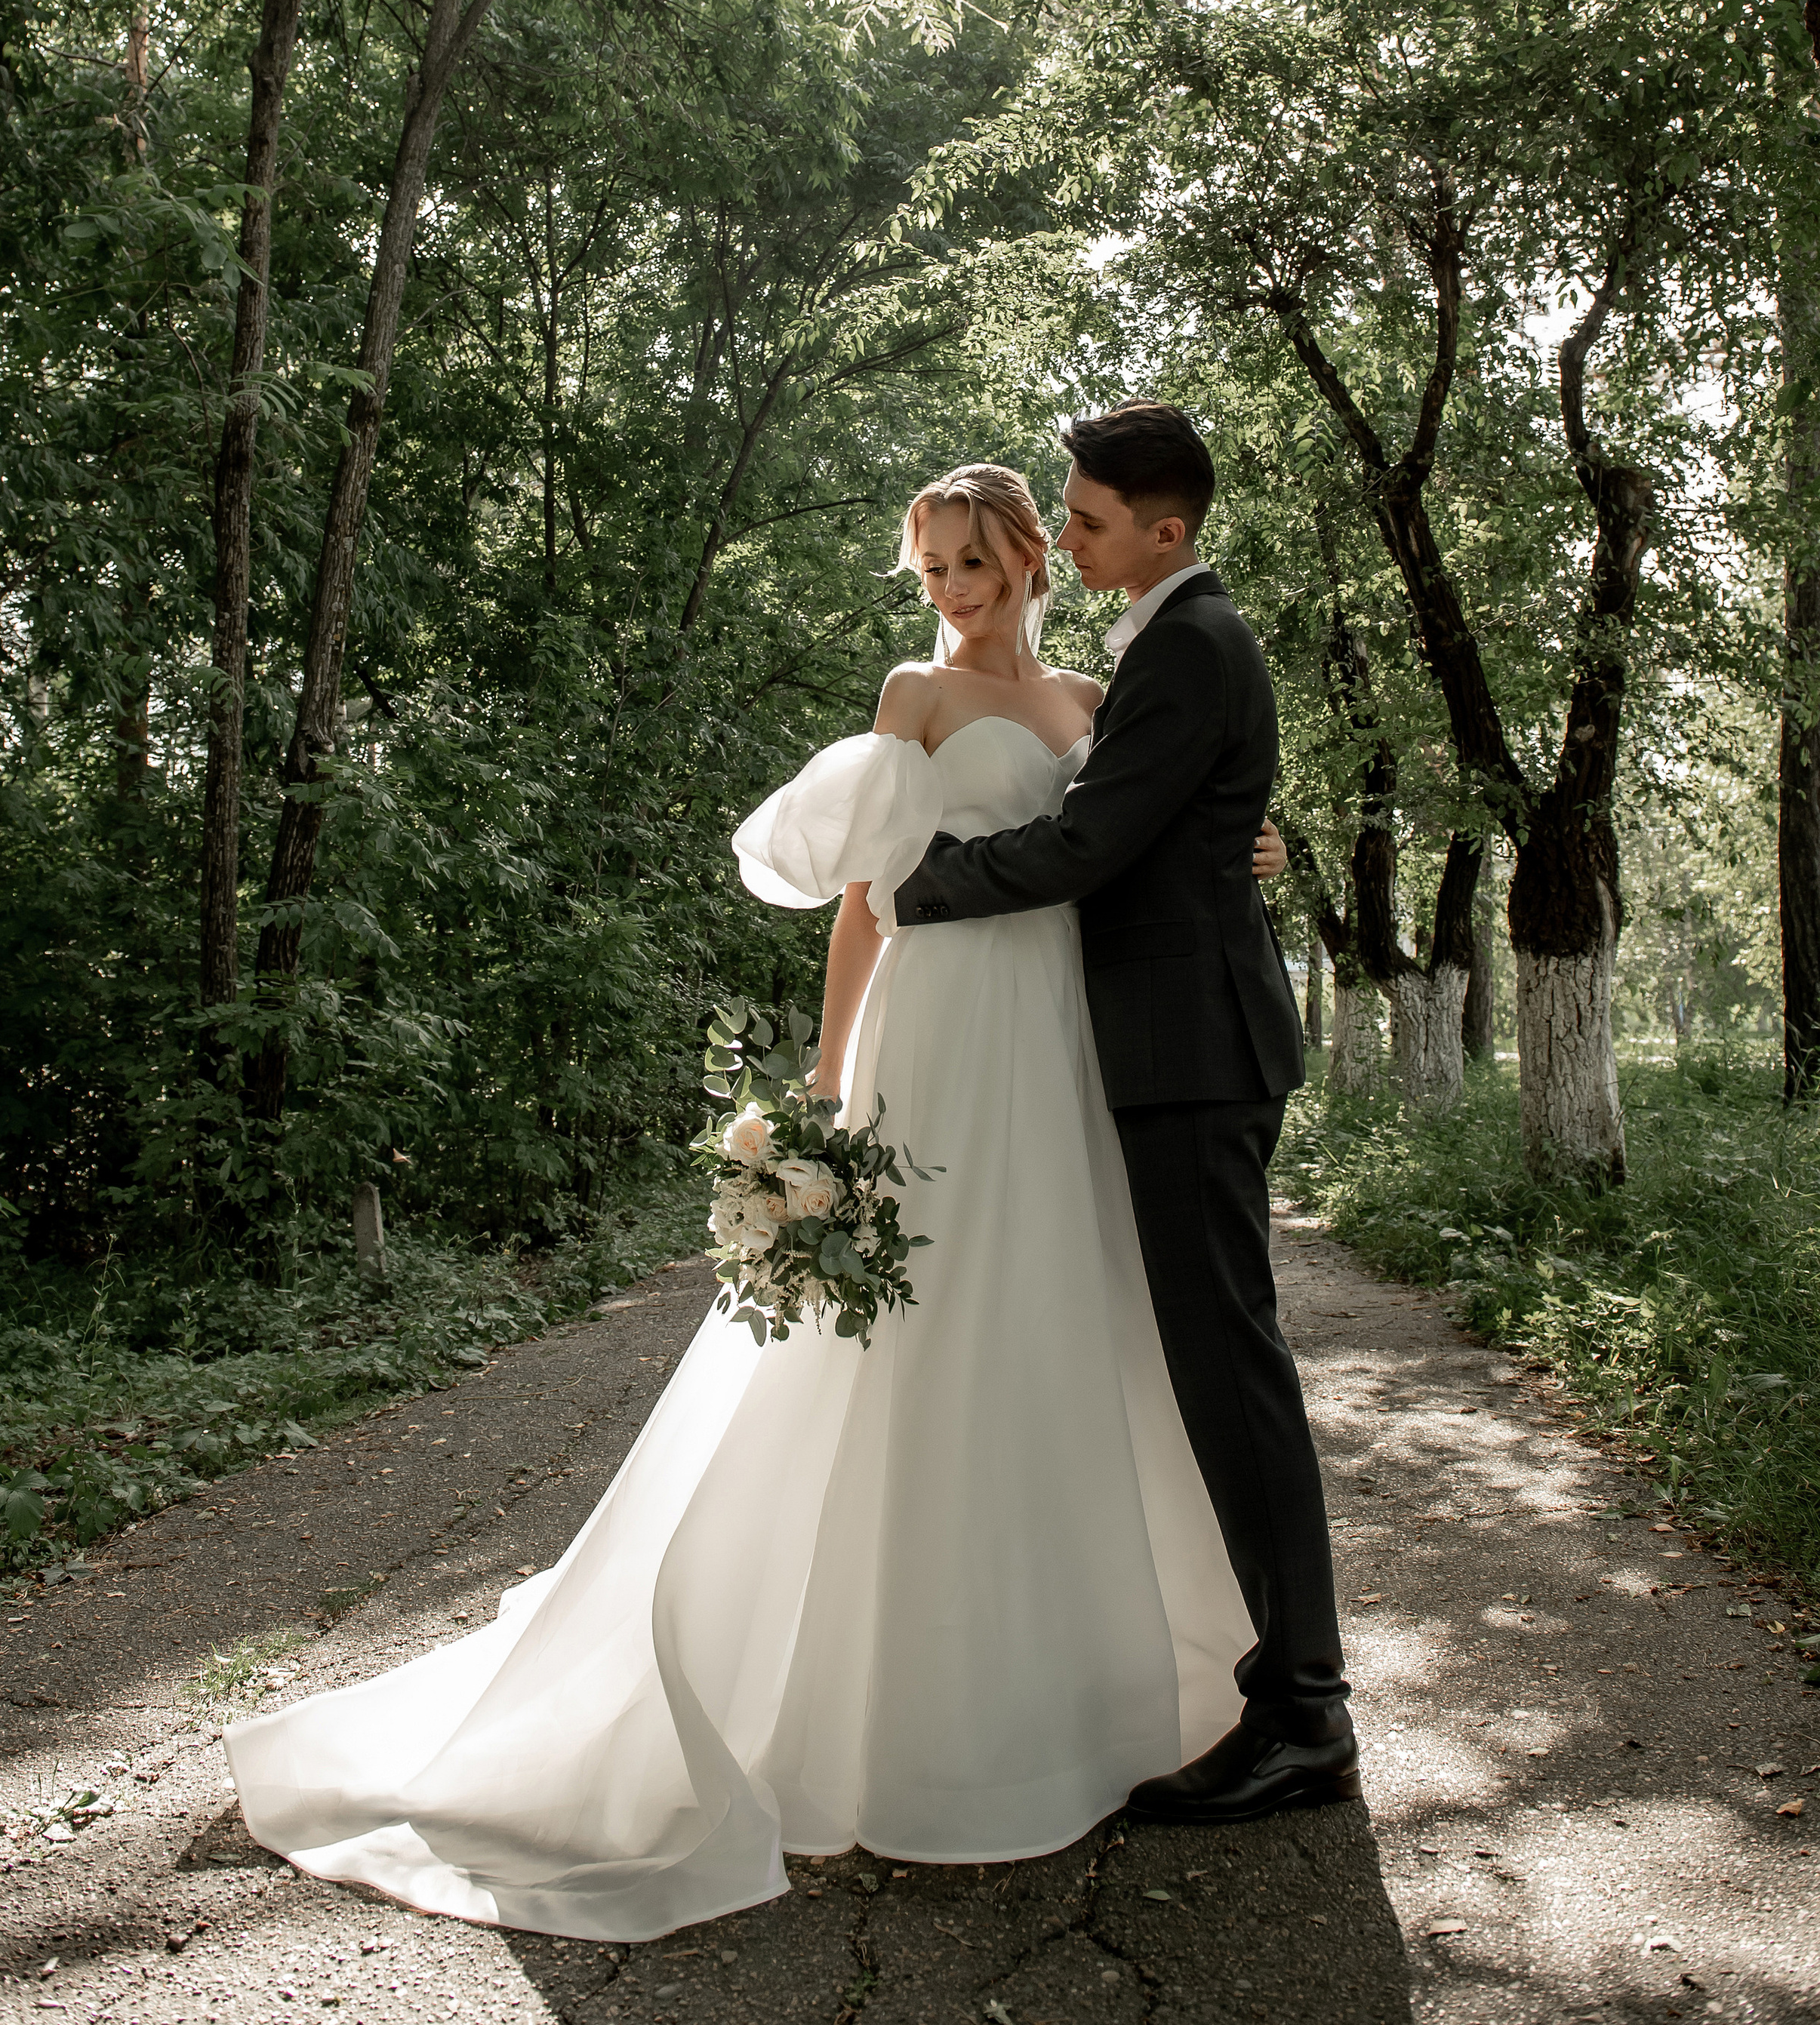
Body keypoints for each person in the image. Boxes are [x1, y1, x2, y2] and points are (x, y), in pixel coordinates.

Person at [222, 455, 1292, 1940]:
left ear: (1032, 558)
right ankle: (868, 1710)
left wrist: (1251, 845)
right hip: (937, 1028)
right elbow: (866, 900)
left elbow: (1127, 845)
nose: (947, 595)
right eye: (926, 571)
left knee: (1050, 1318)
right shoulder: (910, 703)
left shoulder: (1099, 709)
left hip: (1056, 1044)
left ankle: (1060, 1679)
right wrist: (831, 1082)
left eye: (969, 565)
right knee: (909, 1323)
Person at [889, 405, 1357, 1825]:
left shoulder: (1190, 644)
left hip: (1192, 1055)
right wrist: (1244, 835)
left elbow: (1094, 839)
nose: (1070, 535)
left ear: (1166, 529)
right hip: (1157, 1047)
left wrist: (917, 889)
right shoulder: (1174, 645)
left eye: (1086, 521)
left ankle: (1306, 1714)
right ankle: (1288, 1687)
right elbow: (1169, 818)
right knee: (1213, 1368)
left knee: (1232, 1371)